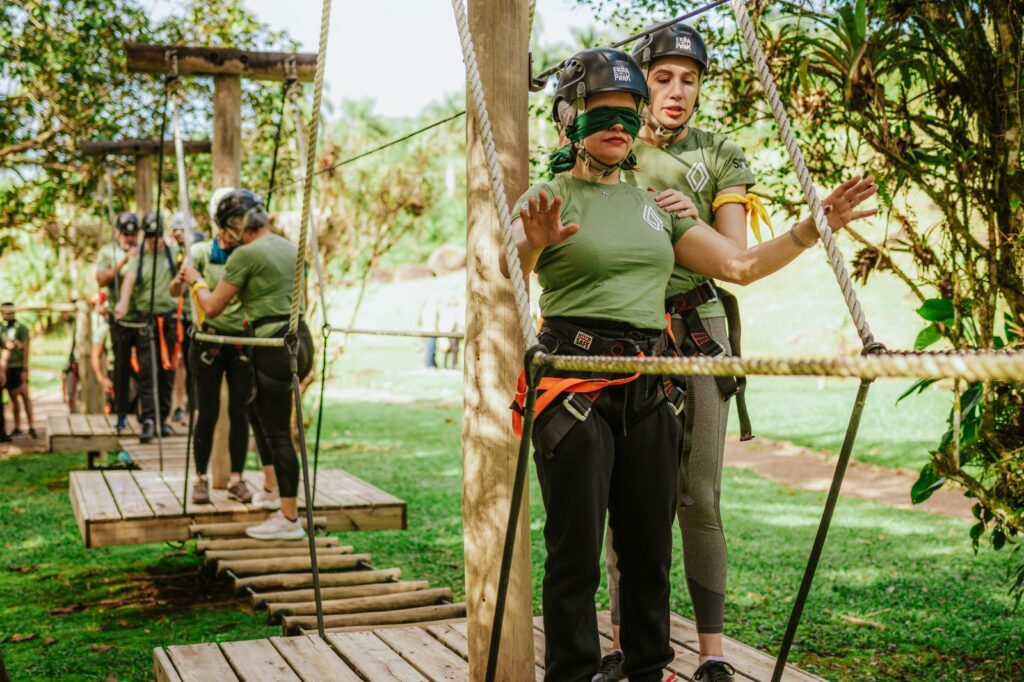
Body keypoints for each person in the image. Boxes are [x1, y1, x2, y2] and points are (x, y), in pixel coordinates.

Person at [503, 47, 876, 682]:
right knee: (577, 557)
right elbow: (507, 268)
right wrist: (532, 245)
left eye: (628, 112)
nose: (617, 124)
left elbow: (739, 266)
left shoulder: (658, 205)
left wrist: (814, 228)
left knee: (650, 553)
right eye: (600, 112)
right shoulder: (547, 198)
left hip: (652, 385)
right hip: (574, 387)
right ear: (568, 118)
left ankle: (647, 671)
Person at [598, 24, 760, 682]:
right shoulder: (610, 146)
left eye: (688, 79)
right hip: (625, 329)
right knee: (623, 497)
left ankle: (714, 658)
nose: (676, 91)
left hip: (698, 326)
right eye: (662, 78)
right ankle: (624, 645)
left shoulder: (720, 153)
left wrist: (683, 218)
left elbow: (737, 256)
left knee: (698, 495)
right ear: (641, 85)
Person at [176, 189, 314, 541]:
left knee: (278, 432)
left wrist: (196, 281)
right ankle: (273, 490)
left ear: (235, 228)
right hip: (300, 339)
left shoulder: (245, 255)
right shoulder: (290, 247)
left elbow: (212, 307)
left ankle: (289, 517)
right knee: (258, 413)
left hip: (272, 344)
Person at [169, 189, 254, 505]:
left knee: (239, 411)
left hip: (240, 342)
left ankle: (236, 479)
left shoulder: (248, 253)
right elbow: (174, 290)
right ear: (221, 226)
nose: (236, 232)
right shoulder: (202, 252)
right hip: (208, 341)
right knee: (206, 411)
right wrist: (184, 280)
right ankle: (201, 478)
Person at [115, 211, 178, 443]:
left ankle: (163, 417)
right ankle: (149, 419)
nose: (154, 240)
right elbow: (129, 280)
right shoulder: (138, 257)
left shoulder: (173, 254)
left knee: (167, 371)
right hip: (146, 321)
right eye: (150, 236)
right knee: (147, 371)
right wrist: (122, 303)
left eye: (157, 235)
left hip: (168, 320)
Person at [95, 211, 140, 430]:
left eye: (133, 234)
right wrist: (123, 260)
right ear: (117, 233)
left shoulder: (145, 251)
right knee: (121, 369)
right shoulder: (108, 252)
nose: (129, 238)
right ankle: (121, 414)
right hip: (119, 321)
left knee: (147, 371)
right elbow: (102, 279)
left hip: (142, 319)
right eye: (125, 234)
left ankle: (146, 416)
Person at [169, 212, 192, 423]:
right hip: (178, 315)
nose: (177, 234)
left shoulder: (197, 251)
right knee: (179, 361)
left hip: (195, 315)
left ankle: (193, 405)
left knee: (192, 363)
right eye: (174, 230)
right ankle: (179, 404)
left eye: (181, 229)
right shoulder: (173, 253)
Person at [1, 304, 35, 439]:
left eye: (10, 312)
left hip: (19, 367)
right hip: (5, 368)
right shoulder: (1, 328)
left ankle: (31, 426)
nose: (8, 315)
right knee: (13, 398)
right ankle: (17, 426)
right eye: (5, 312)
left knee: (25, 397)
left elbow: (26, 349)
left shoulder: (21, 328)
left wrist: (25, 369)